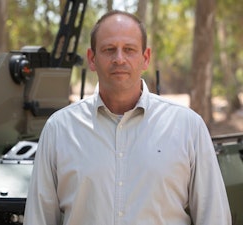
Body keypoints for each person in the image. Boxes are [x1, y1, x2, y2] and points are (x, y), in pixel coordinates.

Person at [23, 10, 231, 225]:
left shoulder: (188, 127)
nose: (119, 59)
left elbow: (213, 216)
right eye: (109, 49)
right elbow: (38, 218)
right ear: (92, 59)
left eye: (129, 50)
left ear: (146, 58)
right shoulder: (59, 130)